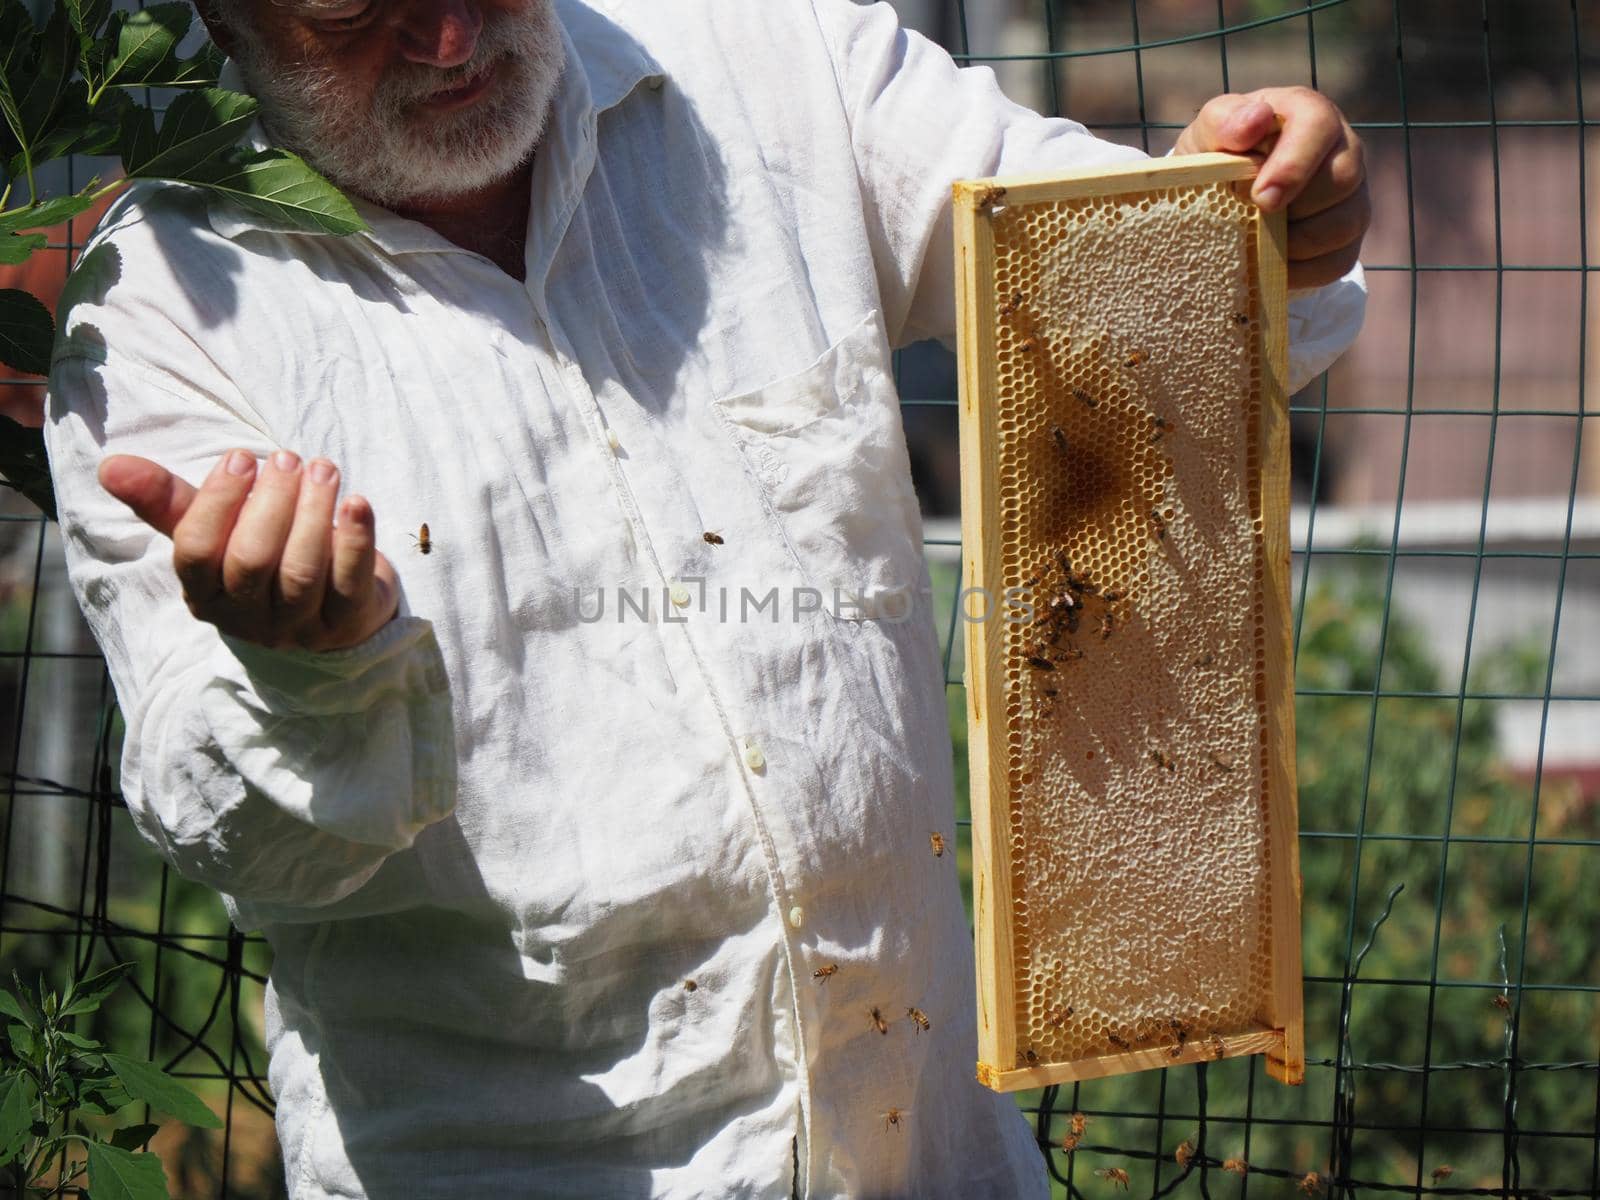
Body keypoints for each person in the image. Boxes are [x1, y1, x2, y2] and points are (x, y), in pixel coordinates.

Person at [42, 1, 1369, 1196]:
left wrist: (1258, 218)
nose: (449, 38)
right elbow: (242, 840)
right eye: (354, 9)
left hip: (935, 1162)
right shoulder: (154, 314)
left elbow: (1123, 263)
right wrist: (313, 673)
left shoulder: (778, 61)